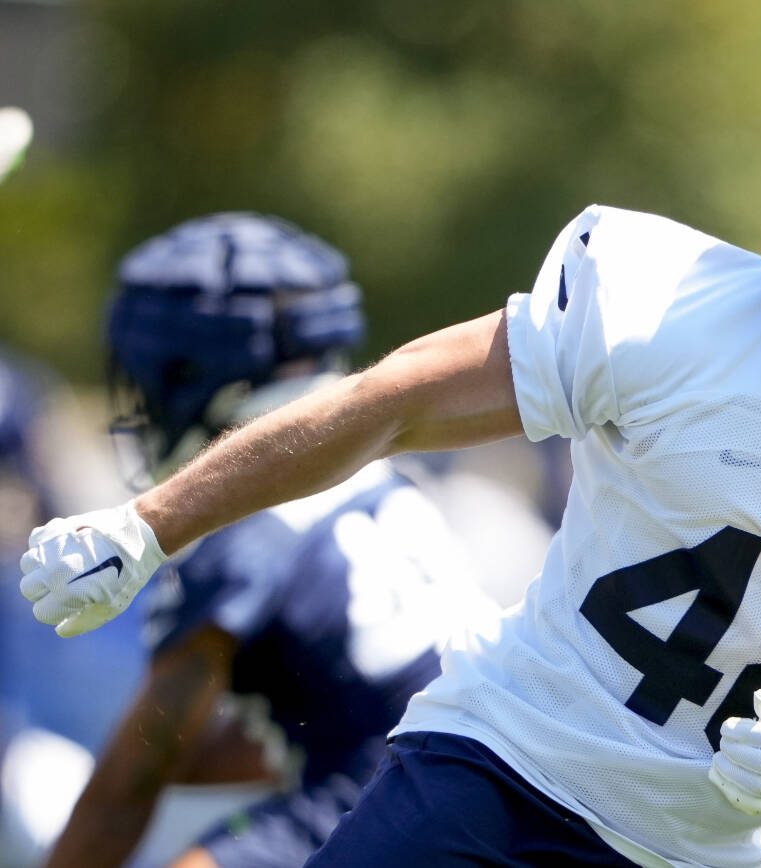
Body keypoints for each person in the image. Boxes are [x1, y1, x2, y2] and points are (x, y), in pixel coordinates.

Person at [20, 17, 761, 868]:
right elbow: (388, 402)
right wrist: (149, 523)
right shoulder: (668, 315)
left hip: (695, 850)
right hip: (495, 770)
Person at [40, 213, 502, 868]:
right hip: (502, 783)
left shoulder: (237, 526)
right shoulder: (383, 477)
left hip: (392, 788)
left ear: (190, 377)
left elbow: (129, 786)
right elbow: (300, 725)